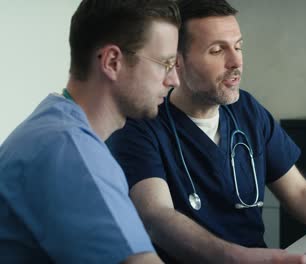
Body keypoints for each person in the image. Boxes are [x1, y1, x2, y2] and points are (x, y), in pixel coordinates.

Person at [107, 0, 306, 263]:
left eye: (238, 47)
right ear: (178, 62)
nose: (236, 61)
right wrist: (240, 258)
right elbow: (157, 218)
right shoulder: (140, 126)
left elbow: (301, 193)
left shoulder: (247, 111)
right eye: (217, 50)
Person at [0, 0, 181, 263]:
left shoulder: (52, 124)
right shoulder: (69, 150)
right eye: (166, 63)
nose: (173, 79)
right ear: (112, 62)